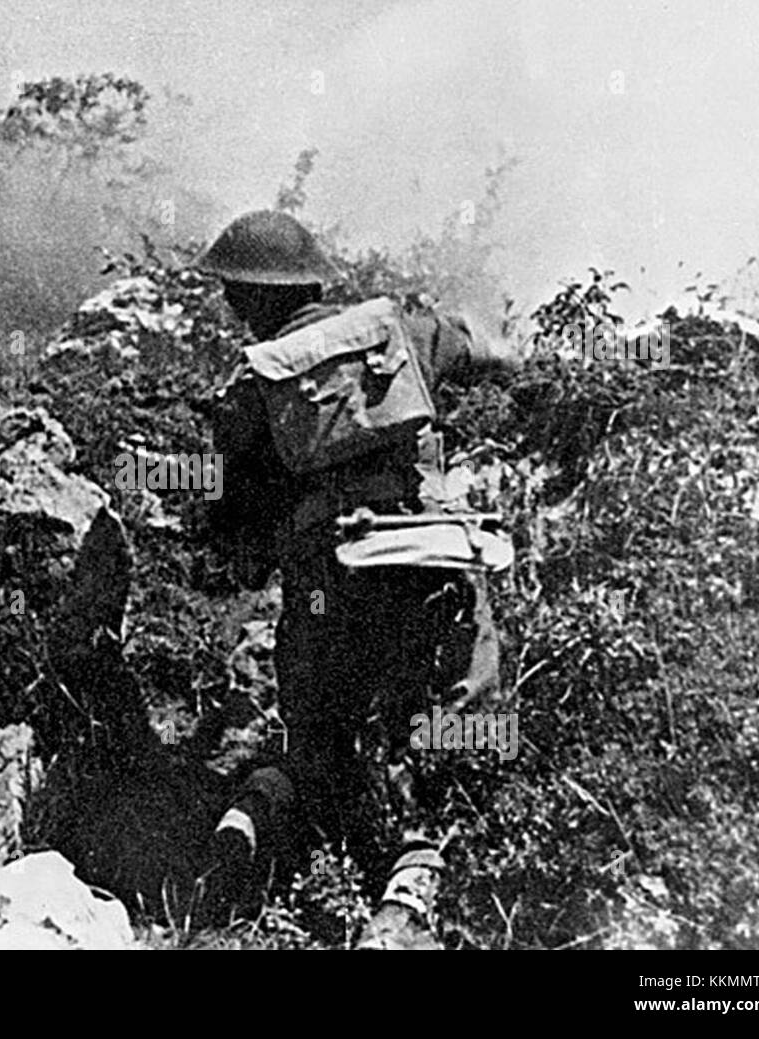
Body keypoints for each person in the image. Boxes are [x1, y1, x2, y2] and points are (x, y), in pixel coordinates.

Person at [196, 210, 519, 949]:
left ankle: (257, 823)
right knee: (452, 719)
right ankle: (408, 892)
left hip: (327, 581)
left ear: (248, 296)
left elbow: (234, 532)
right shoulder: (399, 328)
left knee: (320, 732)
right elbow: (491, 355)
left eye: (230, 293)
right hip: (426, 559)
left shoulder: (249, 388)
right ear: (313, 278)